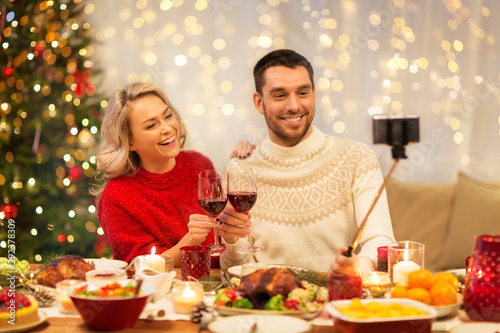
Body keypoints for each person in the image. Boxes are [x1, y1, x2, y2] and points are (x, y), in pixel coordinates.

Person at [217, 49, 396, 275]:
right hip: (268, 303)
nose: (294, 106)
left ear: (314, 95)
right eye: (280, 95)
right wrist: (232, 240)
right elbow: (236, 268)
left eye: (302, 92)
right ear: (259, 102)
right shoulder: (239, 170)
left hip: (339, 298)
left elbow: (382, 241)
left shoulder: (357, 157)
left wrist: (357, 267)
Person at [92, 82, 250, 265]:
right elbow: (143, 266)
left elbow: (221, 250)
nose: (167, 128)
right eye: (151, 125)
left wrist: (229, 233)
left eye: (168, 116)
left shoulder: (198, 164)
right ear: (129, 141)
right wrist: (192, 240)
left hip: (215, 287)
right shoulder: (117, 196)